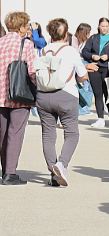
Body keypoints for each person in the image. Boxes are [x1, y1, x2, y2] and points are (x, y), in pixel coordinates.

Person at [36, 18, 90, 188]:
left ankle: (53, 174)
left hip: (44, 96)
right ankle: (62, 164)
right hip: (66, 94)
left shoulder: (43, 50)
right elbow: (82, 75)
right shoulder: (71, 51)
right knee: (72, 133)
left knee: (48, 135)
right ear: (66, 34)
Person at [0, 11, 37, 185]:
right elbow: (31, 71)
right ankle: (10, 173)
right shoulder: (26, 44)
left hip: (0, 95)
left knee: (2, 133)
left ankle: (4, 169)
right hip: (19, 95)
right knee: (15, 133)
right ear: (22, 27)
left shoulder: (0, 42)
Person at [81, 17, 109, 128]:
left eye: (106, 26)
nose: (104, 28)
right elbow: (84, 52)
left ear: (108, 26)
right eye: (102, 26)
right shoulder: (94, 38)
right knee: (98, 93)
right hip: (95, 68)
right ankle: (100, 118)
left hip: (108, 68)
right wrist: (92, 56)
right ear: (99, 26)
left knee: (108, 93)